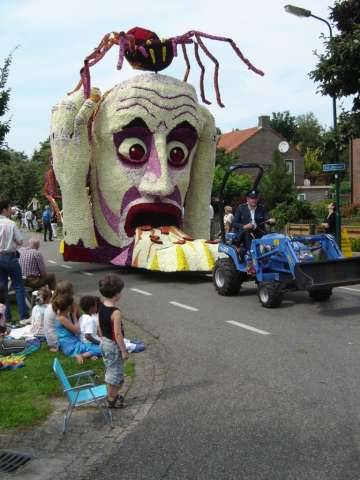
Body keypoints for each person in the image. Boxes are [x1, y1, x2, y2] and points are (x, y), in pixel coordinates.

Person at [98, 274, 129, 408]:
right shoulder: (116, 312)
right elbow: (117, 333)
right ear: (116, 294)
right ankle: (111, 400)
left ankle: (112, 395)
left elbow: (99, 325)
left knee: (110, 369)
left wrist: (101, 337)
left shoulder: (101, 305)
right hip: (112, 345)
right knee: (116, 373)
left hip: (104, 342)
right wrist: (123, 351)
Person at [0, 198, 29, 322]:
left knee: (3, 287)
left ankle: (6, 317)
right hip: (9, 256)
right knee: (18, 286)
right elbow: (20, 241)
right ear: (5, 209)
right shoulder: (10, 224)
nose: (11, 209)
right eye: (10, 207)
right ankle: (23, 316)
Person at [53, 293, 102, 363]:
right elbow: (77, 331)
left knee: (92, 347)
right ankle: (81, 355)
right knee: (100, 349)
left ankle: (89, 355)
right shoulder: (62, 318)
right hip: (72, 346)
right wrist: (74, 315)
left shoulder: (62, 315)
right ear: (69, 306)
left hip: (71, 344)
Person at [44, 280, 78, 352]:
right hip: (58, 341)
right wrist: (74, 313)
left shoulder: (56, 302)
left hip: (51, 338)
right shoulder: (60, 306)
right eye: (71, 292)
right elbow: (75, 331)